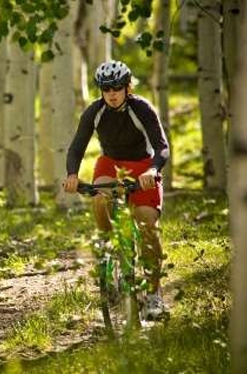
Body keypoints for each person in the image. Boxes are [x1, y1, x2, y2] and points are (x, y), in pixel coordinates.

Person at [62, 60, 170, 320]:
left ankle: (154, 295)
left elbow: (161, 146)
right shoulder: (94, 112)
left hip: (143, 167)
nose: (111, 93)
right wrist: (73, 175)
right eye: (106, 88)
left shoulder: (141, 108)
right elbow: (77, 147)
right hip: (110, 164)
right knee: (100, 197)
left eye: (117, 88)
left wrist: (153, 170)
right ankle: (106, 243)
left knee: (148, 229)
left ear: (127, 87)